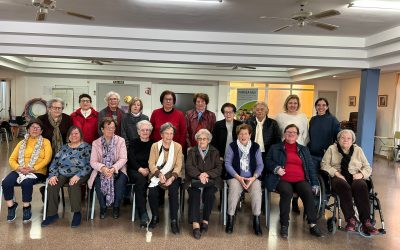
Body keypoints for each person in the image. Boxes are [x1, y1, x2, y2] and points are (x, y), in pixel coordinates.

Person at [265, 124, 323, 238]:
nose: (291, 134)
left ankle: (312, 224)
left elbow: (310, 167)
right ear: (284, 133)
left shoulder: (304, 149)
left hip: (300, 180)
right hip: (282, 179)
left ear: (297, 136)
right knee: (287, 192)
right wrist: (276, 168)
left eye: (294, 132)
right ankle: (284, 224)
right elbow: (267, 161)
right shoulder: (275, 147)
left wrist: (315, 183)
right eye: (288, 132)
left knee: (307, 191)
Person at [321, 129, 378, 235]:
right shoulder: (332, 149)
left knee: (361, 185)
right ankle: (351, 220)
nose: (345, 140)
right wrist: (336, 173)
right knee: (343, 185)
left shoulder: (358, 150)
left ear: (352, 140)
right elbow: (324, 164)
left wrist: (361, 174)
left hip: (355, 177)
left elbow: (367, 167)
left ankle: (366, 221)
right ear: (338, 139)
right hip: (338, 177)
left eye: (348, 138)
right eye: (343, 138)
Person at [1, 119, 52, 223]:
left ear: (41, 131)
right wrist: (19, 168)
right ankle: (11, 207)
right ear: (28, 129)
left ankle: (26, 207)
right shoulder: (21, 143)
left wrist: (34, 168)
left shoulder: (46, 142)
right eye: (32, 127)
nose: (35, 129)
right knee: (6, 182)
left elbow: (47, 159)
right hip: (20, 169)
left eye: (38, 128)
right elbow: (11, 159)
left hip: (38, 171)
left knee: (26, 182)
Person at [41, 126, 91, 228]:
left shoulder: (86, 147)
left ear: (81, 135)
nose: (74, 135)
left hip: (80, 172)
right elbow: (54, 163)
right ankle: (52, 214)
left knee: (73, 185)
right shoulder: (64, 147)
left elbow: (90, 165)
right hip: (63, 172)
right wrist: (52, 175)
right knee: (52, 185)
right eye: (72, 134)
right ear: (68, 136)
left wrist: (78, 175)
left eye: (76, 133)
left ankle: (77, 213)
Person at [224, 124, 263, 236]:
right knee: (234, 190)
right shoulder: (232, 146)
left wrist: (254, 177)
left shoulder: (255, 146)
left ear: (250, 135)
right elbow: (227, 164)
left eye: (246, 133)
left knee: (256, 191)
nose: (243, 136)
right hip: (236, 176)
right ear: (237, 135)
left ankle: (256, 220)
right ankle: (230, 219)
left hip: (252, 177)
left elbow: (260, 165)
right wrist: (238, 177)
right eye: (241, 133)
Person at [185, 129, 222, 240]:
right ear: (196, 140)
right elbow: (189, 167)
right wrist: (199, 175)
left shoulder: (215, 151)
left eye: (204, 139)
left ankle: (205, 220)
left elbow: (219, 168)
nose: (201, 141)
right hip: (194, 179)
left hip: (211, 180)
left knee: (210, 193)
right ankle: (196, 224)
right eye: (199, 139)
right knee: (194, 193)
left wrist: (207, 174)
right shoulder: (192, 151)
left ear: (208, 140)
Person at [89, 117, 128, 219]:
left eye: (113, 128)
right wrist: (102, 168)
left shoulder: (120, 141)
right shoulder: (96, 143)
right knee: (98, 181)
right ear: (102, 129)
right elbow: (93, 161)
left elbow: (123, 158)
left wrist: (113, 168)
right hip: (101, 170)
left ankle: (116, 207)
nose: (111, 130)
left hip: (118, 169)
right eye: (108, 128)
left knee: (120, 182)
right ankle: (103, 207)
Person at [275, 94, 309, 212]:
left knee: (299, 174)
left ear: (298, 104)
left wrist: (303, 148)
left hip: (298, 149)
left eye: (295, 103)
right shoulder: (280, 116)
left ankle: (295, 201)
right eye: (290, 103)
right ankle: (286, 198)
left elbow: (305, 134)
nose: (292, 105)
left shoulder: (303, 116)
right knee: (286, 174)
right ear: (286, 104)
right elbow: (278, 133)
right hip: (284, 150)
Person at [148, 122, 183, 234]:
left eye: (171, 133)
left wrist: (172, 178)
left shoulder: (178, 146)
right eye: (166, 133)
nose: (169, 136)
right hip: (158, 174)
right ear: (161, 134)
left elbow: (178, 166)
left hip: (173, 175)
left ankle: (173, 220)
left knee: (173, 192)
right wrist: (159, 174)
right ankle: (154, 217)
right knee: (152, 192)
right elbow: (151, 163)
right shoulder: (155, 146)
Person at [127, 120, 154, 228]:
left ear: (150, 132)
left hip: (150, 169)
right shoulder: (133, 143)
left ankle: (153, 211)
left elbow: (155, 160)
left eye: (147, 130)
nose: (145, 132)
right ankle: (142, 212)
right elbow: (131, 159)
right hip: (135, 169)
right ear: (138, 131)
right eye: (143, 130)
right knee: (141, 181)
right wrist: (140, 169)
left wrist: (148, 169)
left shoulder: (154, 144)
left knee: (153, 181)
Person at [246, 101, 281, 172]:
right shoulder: (248, 122)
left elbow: (277, 139)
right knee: (252, 171)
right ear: (254, 111)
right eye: (257, 109)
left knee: (266, 172)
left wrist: (275, 153)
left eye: (262, 109)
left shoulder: (273, 123)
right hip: (251, 152)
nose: (259, 111)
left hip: (267, 152)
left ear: (266, 111)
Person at [308, 97, 340, 163]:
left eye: (324, 105)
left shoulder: (332, 120)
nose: (321, 107)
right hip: (312, 155)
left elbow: (338, 136)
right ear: (315, 107)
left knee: (325, 173)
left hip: (326, 155)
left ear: (327, 107)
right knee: (313, 173)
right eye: (318, 105)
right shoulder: (313, 119)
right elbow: (310, 136)